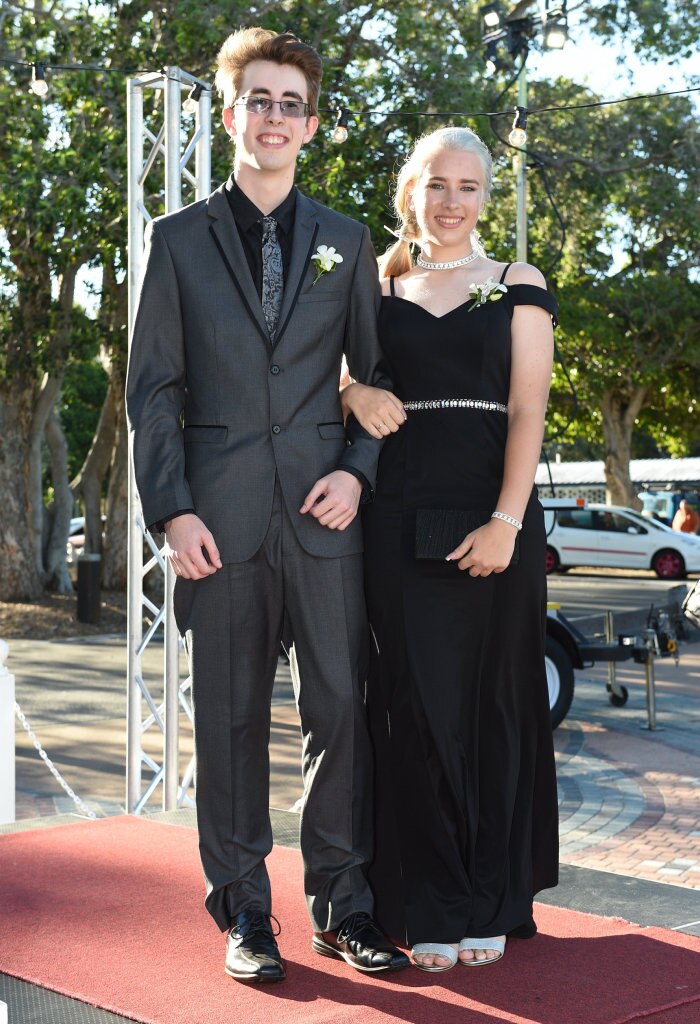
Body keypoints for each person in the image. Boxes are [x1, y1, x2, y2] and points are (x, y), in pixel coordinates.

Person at [126, 27, 409, 984]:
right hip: (221, 520)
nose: (275, 116)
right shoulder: (174, 242)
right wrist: (173, 510)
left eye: (292, 102)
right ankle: (246, 908)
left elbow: (374, 381)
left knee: (339, 711)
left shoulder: (348, 239)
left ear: (311, 123)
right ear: (229, 112)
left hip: (326, 520)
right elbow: (153, 392)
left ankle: (345, 904)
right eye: (259, 98)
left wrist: (359, 471)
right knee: (232, 722)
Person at [342, 126, 559, 971]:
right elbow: (323, 367)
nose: (452, 202)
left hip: (492, 516)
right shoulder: (374, 282)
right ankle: (424, 898)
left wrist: (506, 523)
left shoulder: (519, 285)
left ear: (485, 197)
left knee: (492, 710)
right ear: (410, 191)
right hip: (395, 516)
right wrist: (356, 389)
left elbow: (530, 412)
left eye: (469, 187)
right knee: (412, 707)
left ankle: (488, 900)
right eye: (437, 184)